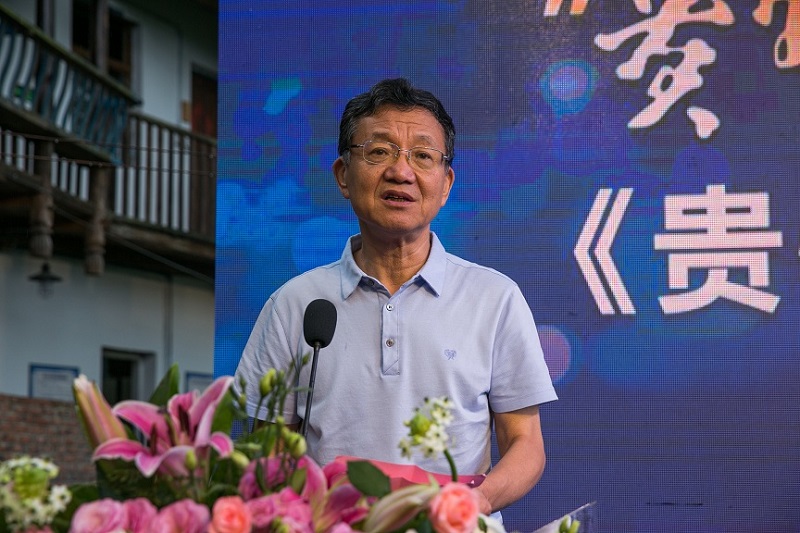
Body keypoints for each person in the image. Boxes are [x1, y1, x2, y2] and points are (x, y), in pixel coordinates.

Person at [234, 78, 557, 516]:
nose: (400, 172)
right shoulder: (294, 304)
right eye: (379, 151)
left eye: (422, 156)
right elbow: (266, 450)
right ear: (343, 174)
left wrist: (476, 501)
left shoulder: (495, 298)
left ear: (446, 184)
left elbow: (526, 443)